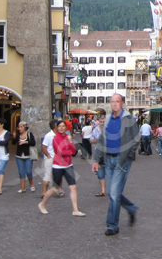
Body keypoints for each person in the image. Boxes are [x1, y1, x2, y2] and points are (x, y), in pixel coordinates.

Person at [91, 93, 140, 236]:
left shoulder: (129, 119)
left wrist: (128, 155)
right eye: (112, 102)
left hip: (121, 160)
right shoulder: (106, 120)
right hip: (108, 160)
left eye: (117, 102)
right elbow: (101, 140)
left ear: (122, 103)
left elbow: (136, 139)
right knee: (113, 193)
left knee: (113, 193)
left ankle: (112, 225)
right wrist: (96, 159)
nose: (114, 104)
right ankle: (131, 208)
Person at [38, 120, 85, 216]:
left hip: (68, 165)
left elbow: (74, 151)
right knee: (55, 188)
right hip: (58, 165)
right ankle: (42, 204)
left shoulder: (68, 137)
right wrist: (69, 152)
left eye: (63, 126)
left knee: (73, 187)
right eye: (59, 126)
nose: (61, 128)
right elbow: (60, 152)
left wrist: (70, 142)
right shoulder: (55, 139)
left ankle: (75, 210)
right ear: (57, 128)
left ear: (66, 127)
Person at [40, 120, 64, 199]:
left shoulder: (60, 135)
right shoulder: (49, 135)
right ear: (55, 127)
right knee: (48, 175)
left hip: (58, 158)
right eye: (59, 126)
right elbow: (44, 147)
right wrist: (48, 156)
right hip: (50, 158)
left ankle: (59, 190)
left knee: (59, 174)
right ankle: (44, 192)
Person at [12, 121, 36, 193]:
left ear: (25, 127)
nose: (20, 128)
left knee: (28, 171)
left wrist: (25, 142)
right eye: (19, 127)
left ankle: (31, 184)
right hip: (19, 156)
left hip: (28, 155)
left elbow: (33, 143)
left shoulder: (29, 134)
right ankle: (22, 187)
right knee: (21, 172)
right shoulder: (18, 135)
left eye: (21, 127)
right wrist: (14, 137)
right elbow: (13, 143)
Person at [91, 115, 106, 197]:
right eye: (101, 121)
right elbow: (90, 141)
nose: (102, 123)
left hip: (108, 154)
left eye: (104, 122)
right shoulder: (95, 130)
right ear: (98, 122)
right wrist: (95, 140)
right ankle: (103, 190)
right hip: (98, 154)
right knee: (100, 173)